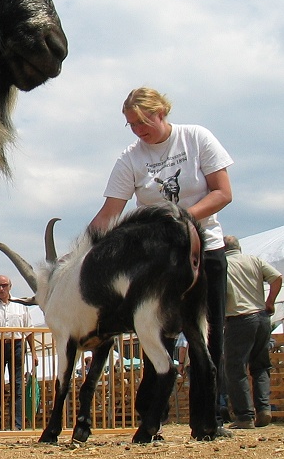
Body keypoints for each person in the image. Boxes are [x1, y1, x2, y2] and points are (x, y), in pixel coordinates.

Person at [90, 86, 234, 434]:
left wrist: (180, 218)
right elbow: (110, 213)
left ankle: (209, 420)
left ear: (161, 113)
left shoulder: (196, 138)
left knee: (208, 333)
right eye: (131, 125)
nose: (139, 130)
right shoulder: (130, 159)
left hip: (204, 251)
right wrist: (83, 249)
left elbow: (222, 193)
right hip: (156, 261)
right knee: (156, 335)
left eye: (143, 122)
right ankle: (151, 419)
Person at [222, 235, 281, 429]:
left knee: (235, 368)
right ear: (239, 248)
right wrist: (270, 302)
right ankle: (263, 409)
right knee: (261, 365)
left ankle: (244, 416)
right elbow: (277, 277)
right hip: (262, 317)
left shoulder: (223, 265)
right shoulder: (254, 260)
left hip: (238, 319)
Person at [0, 275, 37, 430]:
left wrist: (34, 353)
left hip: (17, 345)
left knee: (17, 385)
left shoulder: (21, 306)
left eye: (4, 285)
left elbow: (29, 330)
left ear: (10, 286)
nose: (1, 289)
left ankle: (16, 424)